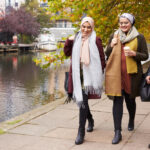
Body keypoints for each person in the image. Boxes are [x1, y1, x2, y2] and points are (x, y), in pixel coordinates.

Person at [105, 13, 148, 144]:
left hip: (132, 76)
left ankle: (131, 119)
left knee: (130, 101)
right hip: (116, 75)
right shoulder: (114, 35)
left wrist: (134, 54)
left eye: (126, 22)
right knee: (117, 101)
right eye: (121, 23)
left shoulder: (139, 37)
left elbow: (145, 56)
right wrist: (111, 46)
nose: (123, 25)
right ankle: (117, 132)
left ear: (131, 23)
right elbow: (107, 53)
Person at [64, 16, 106, 145]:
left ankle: (80, 132)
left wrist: (97, 73)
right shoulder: (75, 39)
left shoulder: (96, 40)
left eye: (89, 27)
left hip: (90, 76)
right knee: (82, 100)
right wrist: (68, 40)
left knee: (83, 101)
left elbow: (102, 58)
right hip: (77, 75)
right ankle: (90, 119)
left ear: (92, 28)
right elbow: (66, 53)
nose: (86, 29)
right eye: (84, 26)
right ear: (80, 26)